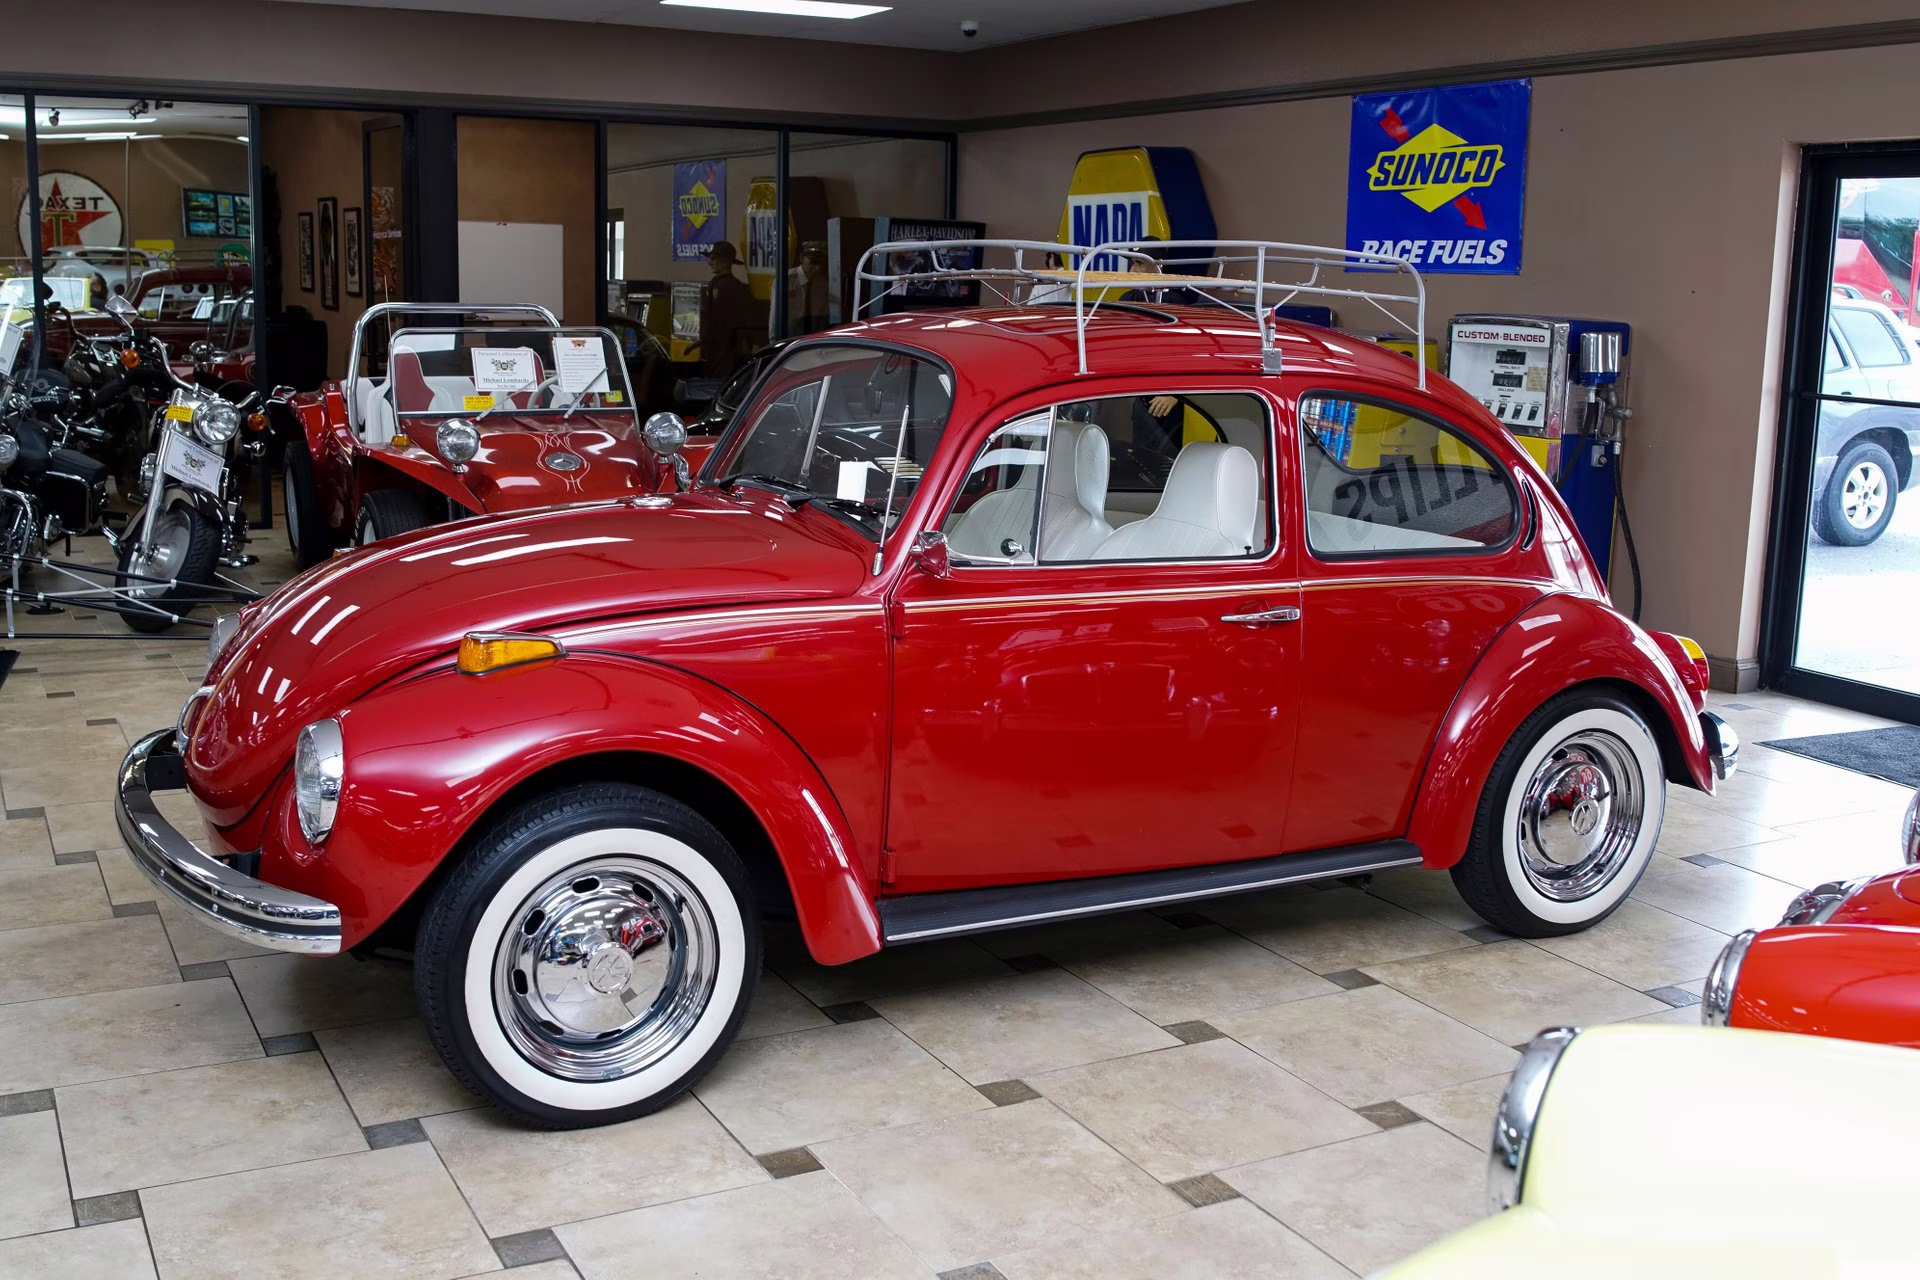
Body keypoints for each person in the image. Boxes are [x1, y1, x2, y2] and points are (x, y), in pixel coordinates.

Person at [699, 241, 755, 379]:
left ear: (725, 262)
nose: (710, 263)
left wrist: (705, 339)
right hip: (726, 349)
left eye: (714, 259)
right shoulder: (737, 286)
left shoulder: (720, 286)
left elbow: (717, 320)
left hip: (721, 351)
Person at [774, 242, 829, 337]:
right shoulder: (787, 280)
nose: (817, 268)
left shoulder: (822, 284)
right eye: (813, 262)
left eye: (820, 264)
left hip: (813, 336)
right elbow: (775, 315)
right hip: (788, 336)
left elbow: (823, 315)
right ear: (802, 258)